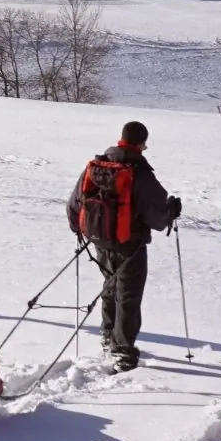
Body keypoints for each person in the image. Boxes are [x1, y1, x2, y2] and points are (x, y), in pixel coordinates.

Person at [67, 120, 180, 372]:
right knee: (128, 294)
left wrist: (78, 228)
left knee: (110, 285)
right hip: (130, 244)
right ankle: (123, 352)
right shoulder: (139, 173)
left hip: (99, 240)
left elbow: (75, 202)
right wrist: (172, 210)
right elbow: (158, 217)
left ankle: (109, 337)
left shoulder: (96, 167)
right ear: (141, 144)